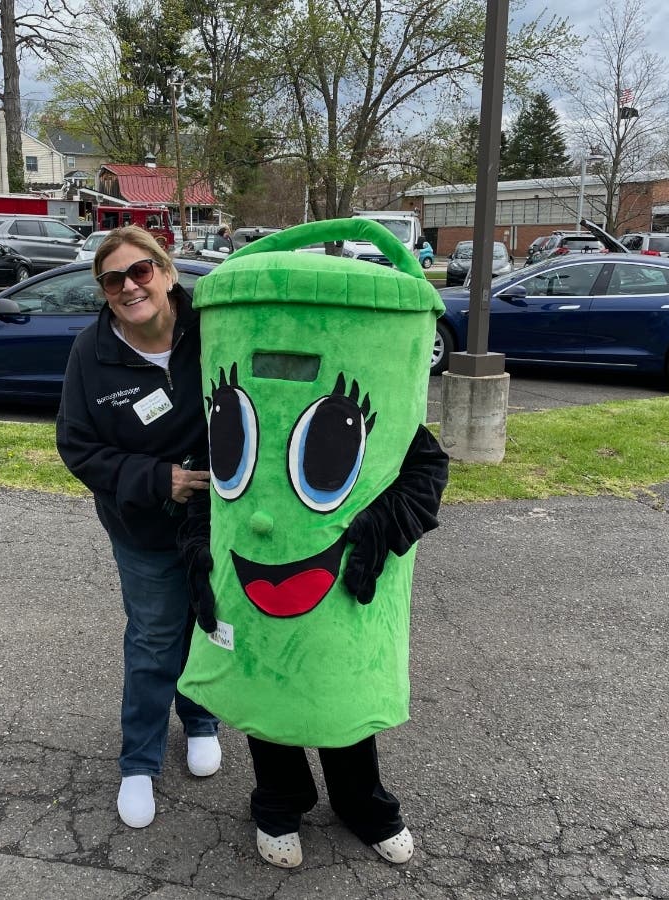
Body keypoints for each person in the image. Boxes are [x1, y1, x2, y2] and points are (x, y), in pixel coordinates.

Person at [176, 218, 448, 868]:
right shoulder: (218, 399)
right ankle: (278, 802)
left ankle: (364, 804)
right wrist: (199, 552)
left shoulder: (393, 410)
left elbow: (424, 467)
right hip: (251, 584)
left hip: (344, 582)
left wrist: (375, 531)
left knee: (339, 695)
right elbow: (212, 469)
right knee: (268, 696)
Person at [56, 225, 221, 829]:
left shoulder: (213, 327)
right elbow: (76, 448)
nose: (129, 287)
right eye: (113, 279)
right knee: (154, 640)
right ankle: (139, 762)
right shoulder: (91, 353)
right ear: (103, 291)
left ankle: (201, 719)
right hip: (143, 527)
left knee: (208, 622)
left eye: (140, 271)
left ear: (167, 272)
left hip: (217, 521)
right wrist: (161, 480)